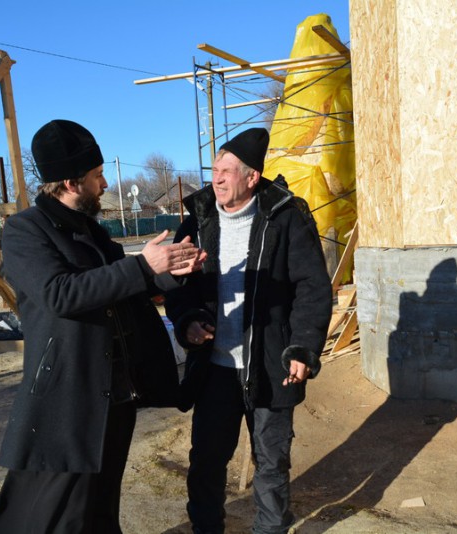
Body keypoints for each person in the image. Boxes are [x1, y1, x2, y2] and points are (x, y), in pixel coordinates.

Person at [0, 119, 205, 534]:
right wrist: (142, 266)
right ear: (70, 181)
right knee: (49, 508)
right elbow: (60, 294)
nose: (104, 184)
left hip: (114, 392)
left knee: (101, 502)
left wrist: (171, 272)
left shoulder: (92, 230)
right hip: (68, 395)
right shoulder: (25, 230)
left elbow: (122, 290)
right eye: (97, 175)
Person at [165, 128, 332, 534]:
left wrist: (302, 346)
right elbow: (176, 285)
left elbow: (312, 287)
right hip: (215, 370)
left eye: (226, 171)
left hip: (270, 366)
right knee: (206, 462)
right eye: (214, 171)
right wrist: (188, 321)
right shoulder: (198, 221)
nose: (217, 179)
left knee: (272, 464)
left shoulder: (285, 217)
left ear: (252, 177)